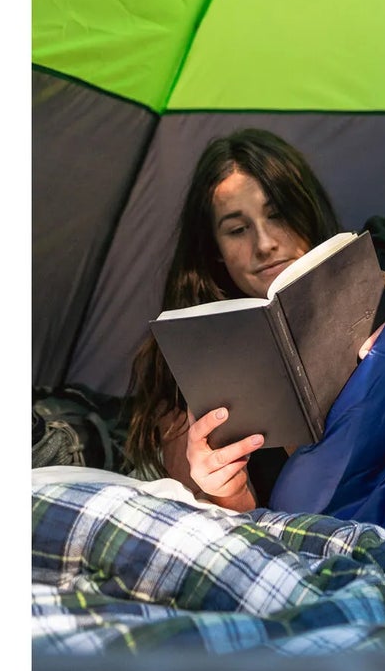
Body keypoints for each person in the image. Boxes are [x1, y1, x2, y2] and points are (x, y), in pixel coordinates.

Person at [121, 128, 345, 511]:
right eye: (237, 229)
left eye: (279, 215)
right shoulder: (184, 362)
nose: (265, 244)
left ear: (308, 213)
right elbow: (230, 525)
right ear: (216, 252)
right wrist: (225, 490)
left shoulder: (379, 283)